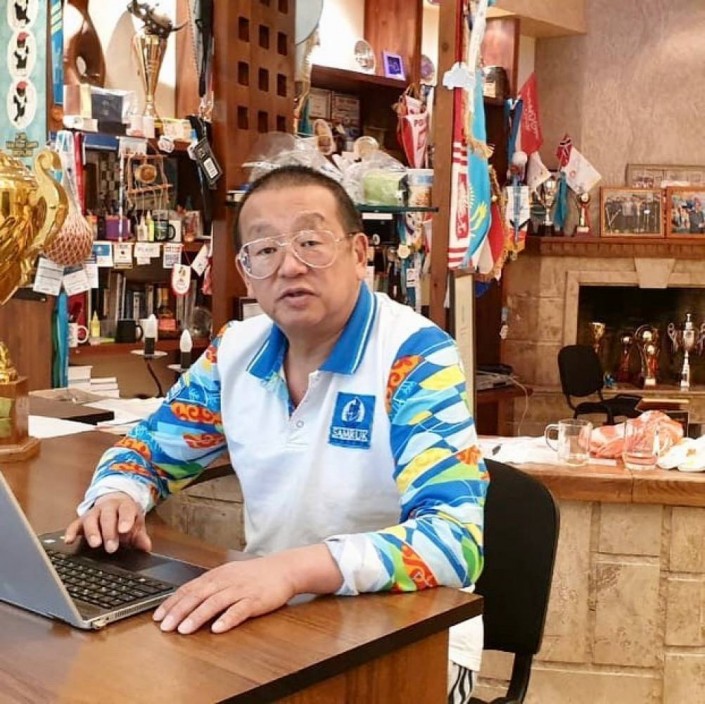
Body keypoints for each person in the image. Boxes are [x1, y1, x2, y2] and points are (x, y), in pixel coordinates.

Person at [65, 165, 488, 702]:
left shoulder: (414, 355)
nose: (289, 265)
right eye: (264, 250)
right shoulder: (235, 352)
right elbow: (147, 451)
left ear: (360, 253)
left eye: (311, 241)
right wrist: (117, 495)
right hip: (272, 618)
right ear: (246, 273)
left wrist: (291, 571)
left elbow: (454, 541)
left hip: (410, 637)